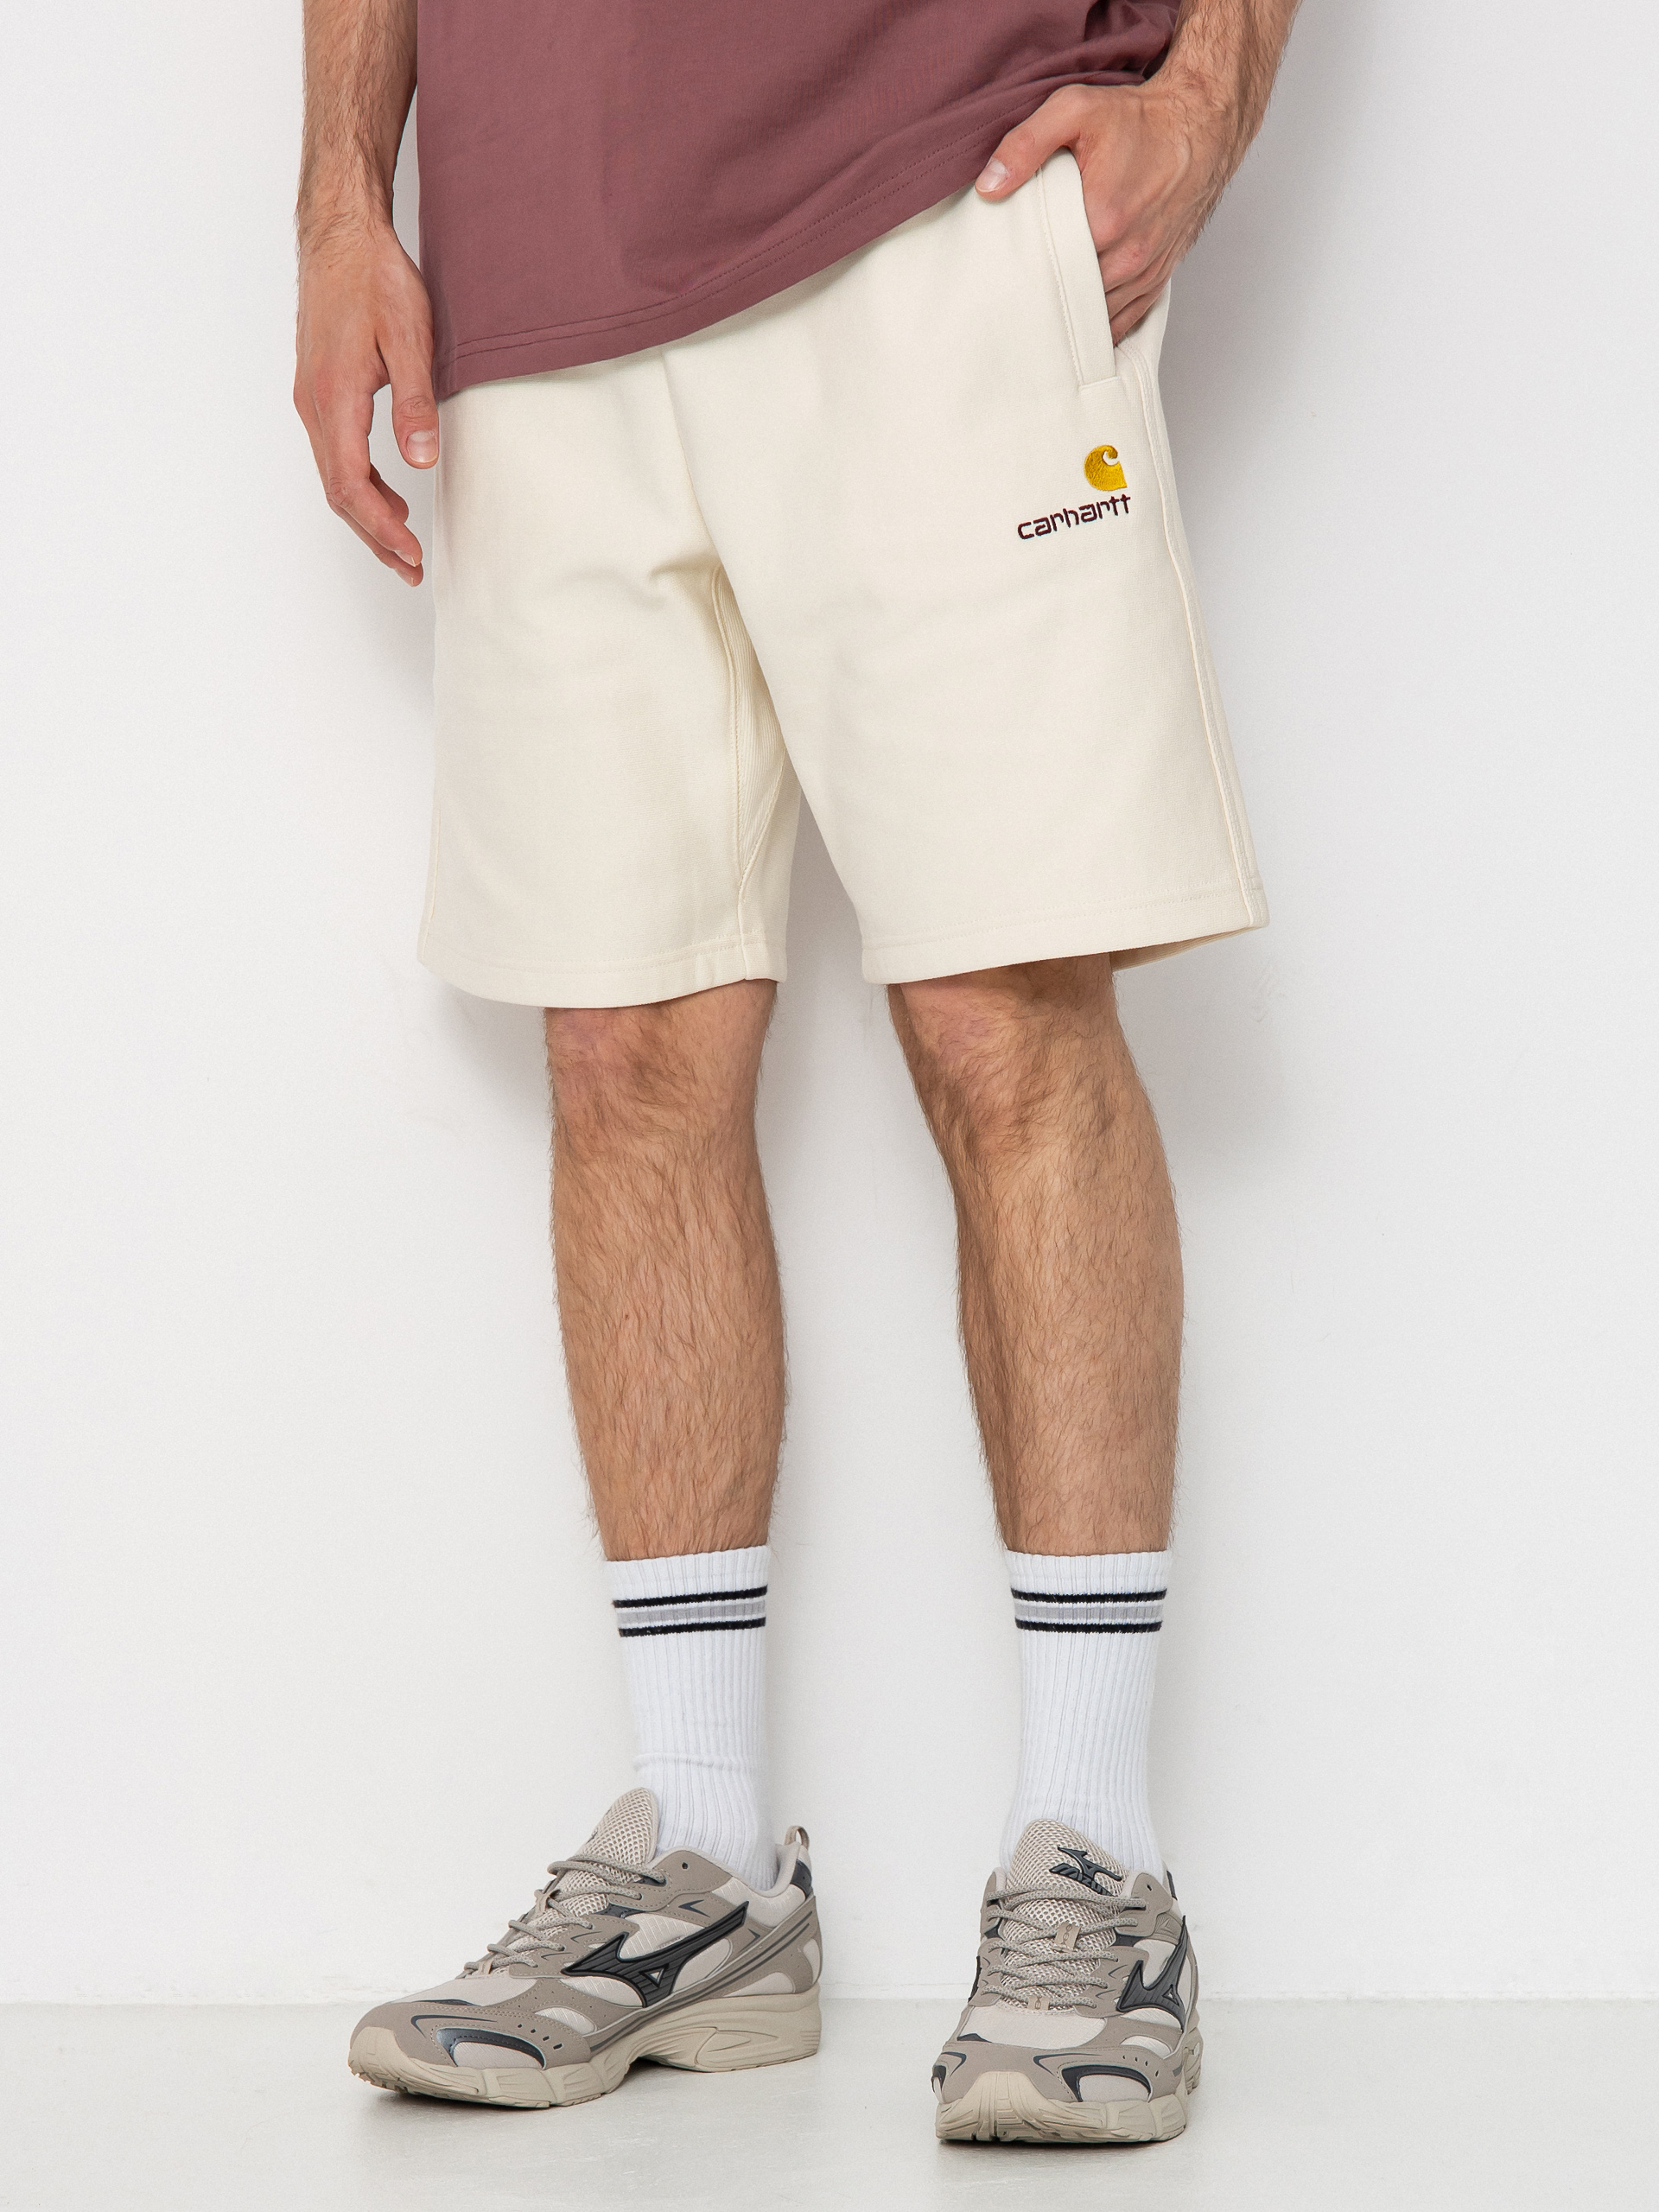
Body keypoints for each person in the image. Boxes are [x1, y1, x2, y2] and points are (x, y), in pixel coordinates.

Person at [295, 0, 1296, 2146]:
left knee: (1004, 1009)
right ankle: (705, 1857)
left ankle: (1094, 1855)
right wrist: (339, 202)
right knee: (623, 1036)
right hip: (534, 253)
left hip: (939, 179)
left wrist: (1207, 94)